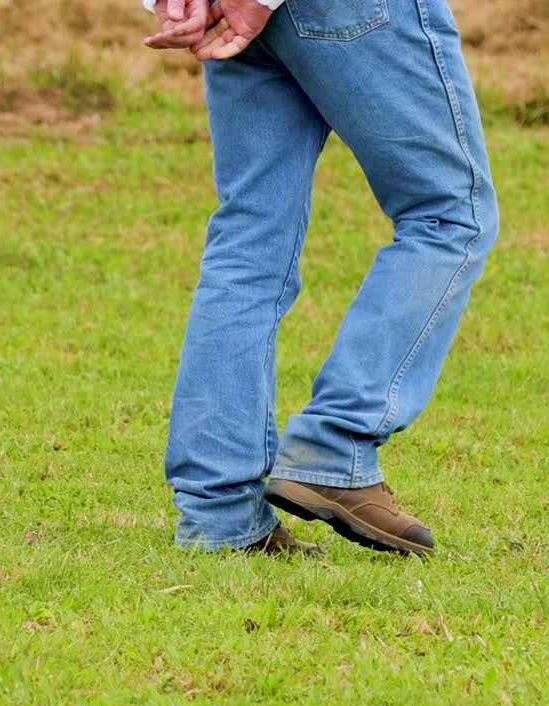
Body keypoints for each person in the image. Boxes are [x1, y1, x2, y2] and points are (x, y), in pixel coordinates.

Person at [141, 0, 499, 554]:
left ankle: (221, 514)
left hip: (233, 16)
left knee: (249, 239)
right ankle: (336, 444)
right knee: (450, 213)